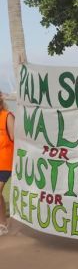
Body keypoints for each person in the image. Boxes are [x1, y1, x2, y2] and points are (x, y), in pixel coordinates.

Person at [0, 91, 14, 236]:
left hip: (6, 162)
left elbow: (16, 139)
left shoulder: (7, 116)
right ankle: (2, 223)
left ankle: (3, 224)